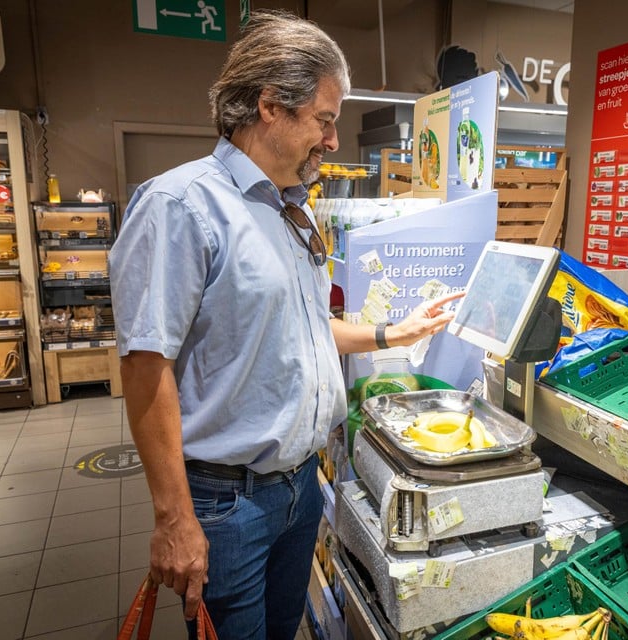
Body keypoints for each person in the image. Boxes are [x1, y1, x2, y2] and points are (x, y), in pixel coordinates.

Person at [109, 11, 463, 640]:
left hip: (300, 489)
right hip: (227, 504)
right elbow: (145, 366)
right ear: (270, 106)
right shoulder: (181, 206)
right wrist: (173, 517)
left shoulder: (288, 207)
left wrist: (391, 334)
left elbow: (304, 328)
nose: (332, 140)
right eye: (324, 120)